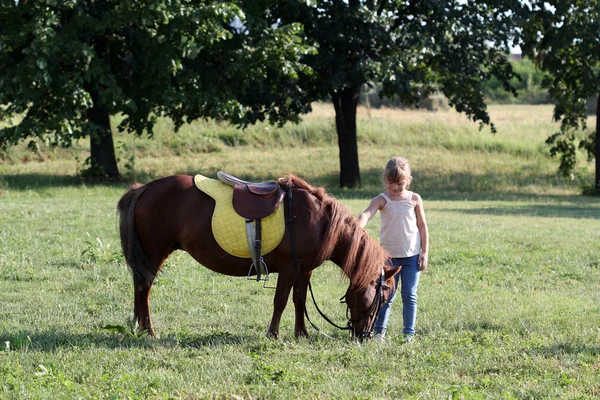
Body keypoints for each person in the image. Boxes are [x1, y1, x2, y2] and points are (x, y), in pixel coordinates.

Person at [358, 156, 429, 342]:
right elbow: (367, 213)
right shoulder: (382, 200)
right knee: (386, 297)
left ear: (408, 180)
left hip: (412, 257)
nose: (395, 188)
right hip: (388, 259)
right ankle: (379, 333)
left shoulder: (414, 199)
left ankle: (408, 335)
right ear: (385, 179)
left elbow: (422, 226)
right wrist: (359, 225)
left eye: (400, 183)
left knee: (409, 296)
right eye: (391, 183)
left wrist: (425, 252)